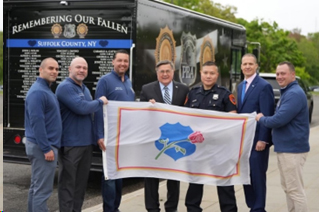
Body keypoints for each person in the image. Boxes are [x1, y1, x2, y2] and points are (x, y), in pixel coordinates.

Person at [56, 57, 108, 212]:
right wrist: (100, 102)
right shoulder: (65, 87)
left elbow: (89, 112)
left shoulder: (84, 88)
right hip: (71, 145)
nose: (81, 70)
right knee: (68, 185)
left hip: (86, 144)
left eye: (84, 68)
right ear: (69, 69)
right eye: (78, 67)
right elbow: (81, 107)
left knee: (80, 186)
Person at [256, 61, 310, 212]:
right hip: (286, 149)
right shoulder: (288, 92)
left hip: (292, 150)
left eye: (283, 74)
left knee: (295, 191)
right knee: (289, 189)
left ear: (292, 75)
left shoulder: (294, 94)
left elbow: (278, 120)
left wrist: (261, 118)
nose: (279, 77)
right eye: (278, 74)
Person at [184, 61, 237, 212]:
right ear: (201, 73)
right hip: (197, 147)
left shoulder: (225, 94)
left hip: (218, 147)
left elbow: (232, 119)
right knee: (195, 181)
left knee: (224, 182)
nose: (208, 76)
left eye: (212, 73)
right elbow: (185, 117)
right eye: (206, 73)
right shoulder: (192, 93)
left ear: (217, 75)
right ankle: (193, 209)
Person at [140, 60, 189, 212]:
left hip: (176, 140)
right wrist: (148, 106)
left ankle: (171, 207)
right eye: (162, 71)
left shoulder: (183, 89)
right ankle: (152, 208)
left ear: (173, 72)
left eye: (168, 71)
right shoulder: (147, 89)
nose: (165, 74)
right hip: (154, 140)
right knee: (151, 177)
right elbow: (140, 114)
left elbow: (188, 114)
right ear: (157, 73)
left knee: (174, 178)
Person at [95, 49, 135, 212]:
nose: (123, 64)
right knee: (110, 177)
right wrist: (99, 135)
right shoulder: (105, 81)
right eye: (119, 61)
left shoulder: (128, 82)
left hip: (124, 138)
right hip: (109, 137)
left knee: (120, 176)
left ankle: (116, 208)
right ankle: (109, 209)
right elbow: (98, 109)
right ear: (113, 62)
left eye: (125, 61)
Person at [237, 53, 274, 212]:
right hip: (244, 140)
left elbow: (267, 113)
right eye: (244, 64)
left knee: (258, 177)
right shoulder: (240, 86)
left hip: (258, 141)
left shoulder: (264, 86)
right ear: (241, 66)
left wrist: (263, 140)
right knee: (246, 176)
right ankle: (252, 206)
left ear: (256, 66)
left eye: (250, 64)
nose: (247, 66)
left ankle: (259, 208)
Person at [25, 57, 62, 212]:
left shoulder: (45, 89)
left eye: (56, 69)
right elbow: (37, 122)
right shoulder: (38, 92)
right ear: (41, 70)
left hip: (43, 146)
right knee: (43, 191)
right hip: (43, 148)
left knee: (36, 188)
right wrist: (46, 148)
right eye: (50, 68)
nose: (54, 72)